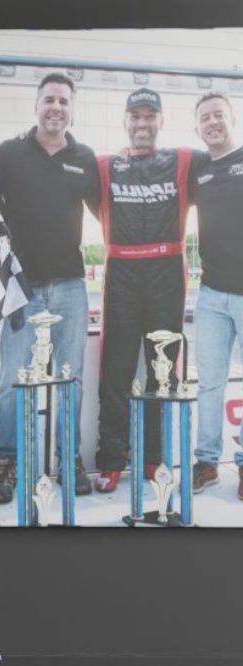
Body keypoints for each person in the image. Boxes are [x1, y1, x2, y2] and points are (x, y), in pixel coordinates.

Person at [0, 73, 98, 504]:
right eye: (49, 99)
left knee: (69, 379)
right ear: (37, 104)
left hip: (71, 284)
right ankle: (6, 460)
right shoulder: (10, 153)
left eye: (64, 101)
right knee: (13, 379)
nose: (56, 107)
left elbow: (109, 214)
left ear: (72, 108)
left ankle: (68, 459)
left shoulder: (84, 157)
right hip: (21, 285)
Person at [92, 88, 198, 493]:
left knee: (162, 374)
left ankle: (154, 458)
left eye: (149, 116)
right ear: (124, 121)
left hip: (167, 274)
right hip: (121, 273)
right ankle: (112, 459)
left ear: (160, 121)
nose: (142, 123)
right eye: (135, 116)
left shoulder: (184, 160)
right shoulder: (104, 166)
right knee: (115, 372)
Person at [189, 93, 243, 495]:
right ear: (197, 126)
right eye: (205, 117)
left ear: (233, 119)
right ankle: (206, 463)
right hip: (210, 294)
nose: (212, 122)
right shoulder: (198, 170)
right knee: (209, 383)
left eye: (218, 115)